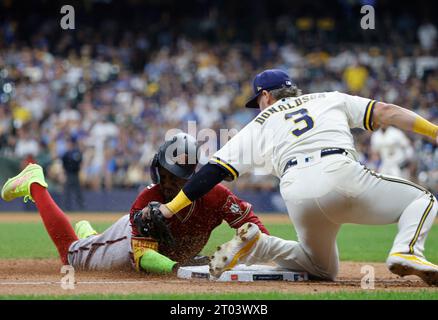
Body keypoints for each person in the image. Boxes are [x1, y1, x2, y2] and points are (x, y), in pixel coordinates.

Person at [152, 69, 438, 285]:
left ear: (265, 95)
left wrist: (168, 209)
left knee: (322, 269)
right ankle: (405, 250)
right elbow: (387, 112)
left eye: (258, 100)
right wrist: (434, 132)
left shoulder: (259, 124)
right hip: (340, 172)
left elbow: (211, 172)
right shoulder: (330, 98)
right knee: (423, 199)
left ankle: (260, 244)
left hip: (297, 192)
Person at [1, 133, 268, 273]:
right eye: (166, 174)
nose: (170, 183)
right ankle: (35, 182)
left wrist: (274, 254)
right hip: (125, 242)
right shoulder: (147, 200)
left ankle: (91, 236)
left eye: (179, 177)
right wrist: (177, 269)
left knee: (85, 245)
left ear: (192, 176)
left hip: (143, 242)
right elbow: (141, 257)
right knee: (69, 257)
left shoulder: (215, 195)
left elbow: (252, 224)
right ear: (157, 169)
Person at [61, 137, 84, 210]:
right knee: (67, 193)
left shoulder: (76, 152)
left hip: (75, 174)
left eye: (70, 142)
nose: (69, 144)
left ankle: (81, 208)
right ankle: (66, 208)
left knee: (78, 193)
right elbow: (64, 164)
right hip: (68, 174)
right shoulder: (66, 153)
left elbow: (78, 161)